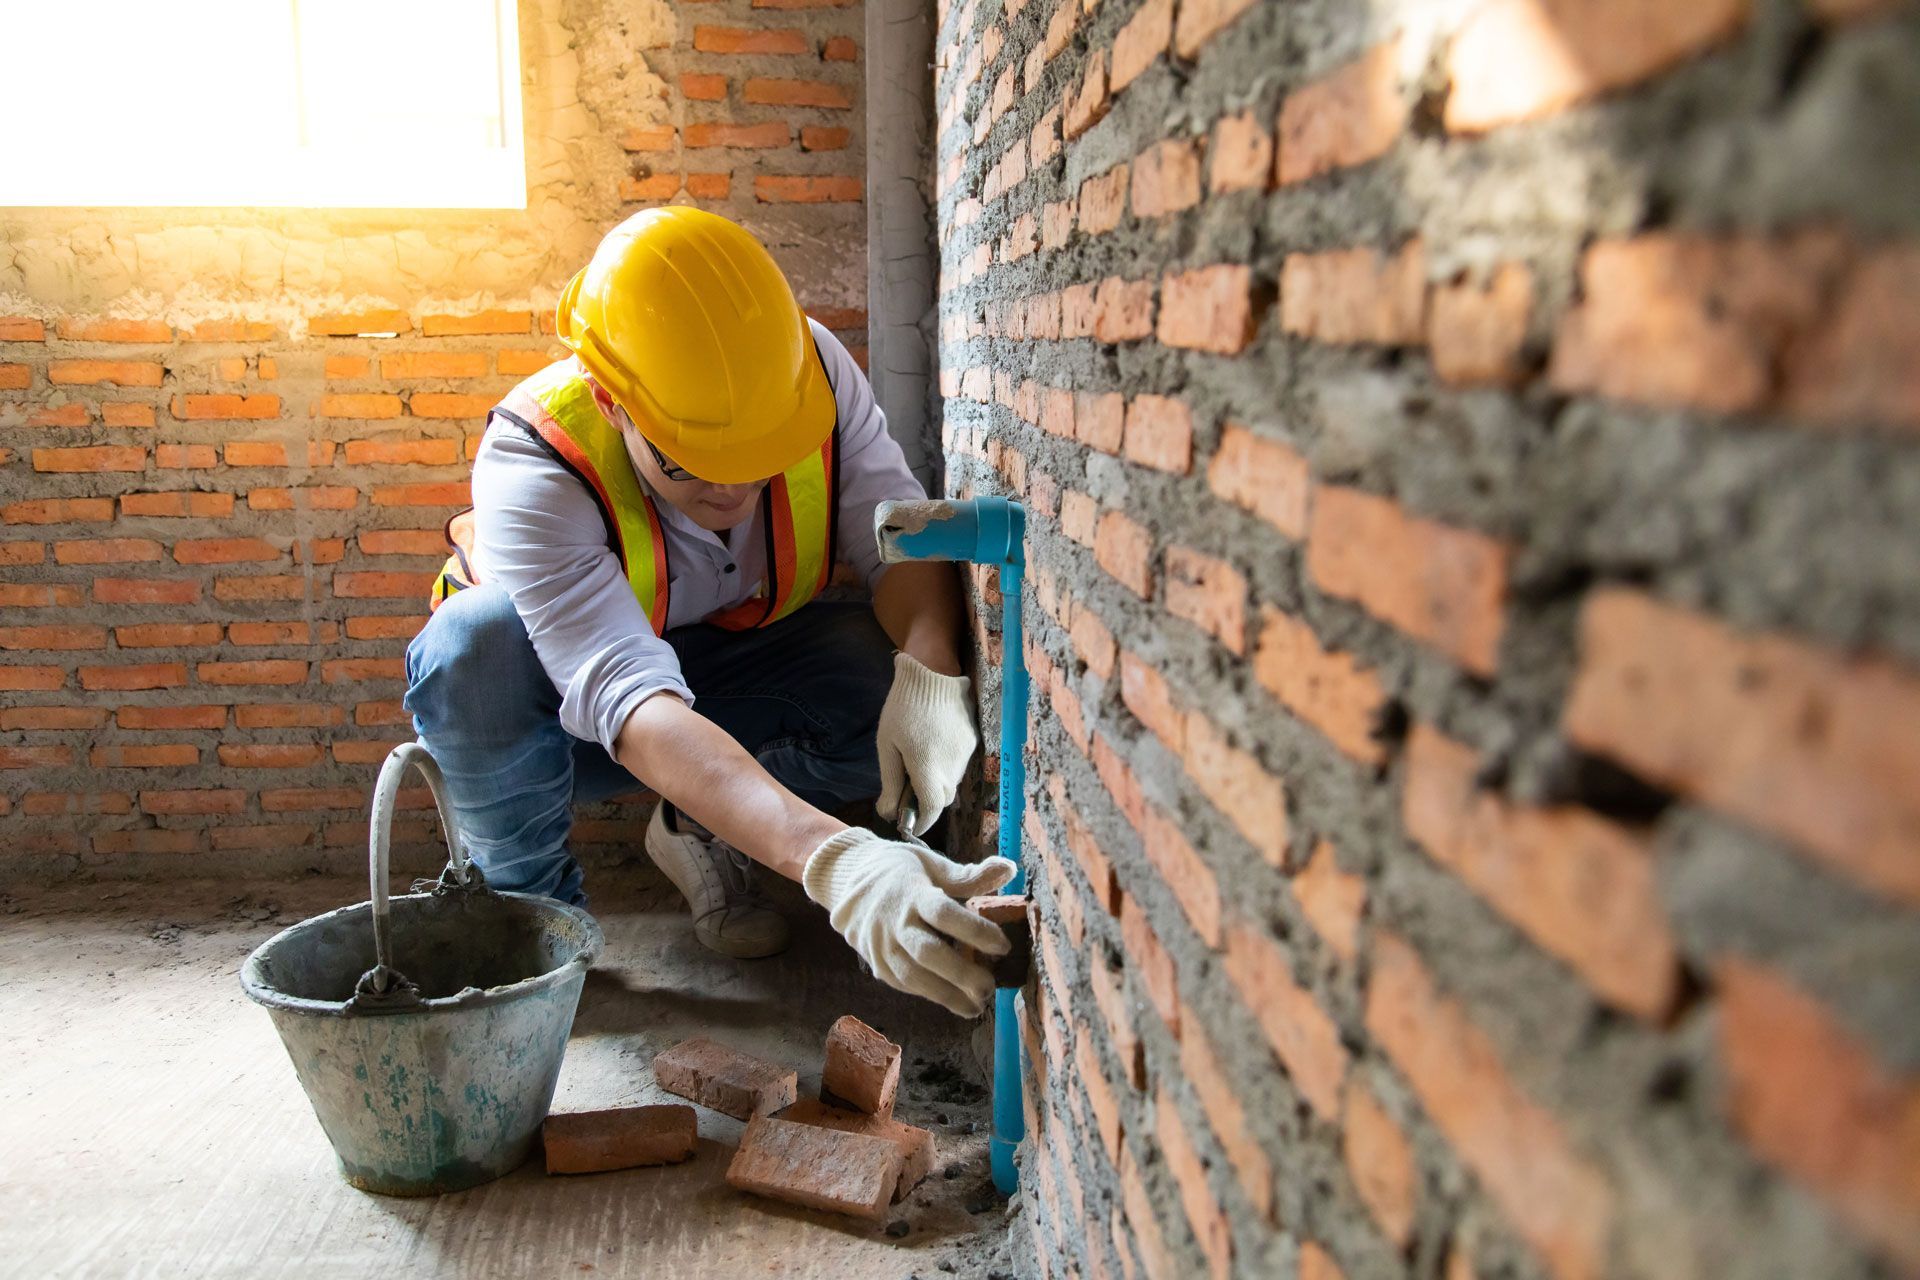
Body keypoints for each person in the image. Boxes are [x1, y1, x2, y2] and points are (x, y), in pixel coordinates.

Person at [403, 208, 1013, 1018]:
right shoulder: (535, 458)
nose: (729, 490)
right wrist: (832, 857)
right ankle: (531, 928)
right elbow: (628, 698)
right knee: (470, 641)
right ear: (612, 403)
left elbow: (895, 532)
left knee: (871, 678)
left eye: (755, 457)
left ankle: (707, 819)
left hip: (721, 675)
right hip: (546, 725)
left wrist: (932, 670)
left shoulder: (807, 373)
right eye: (689, 461)